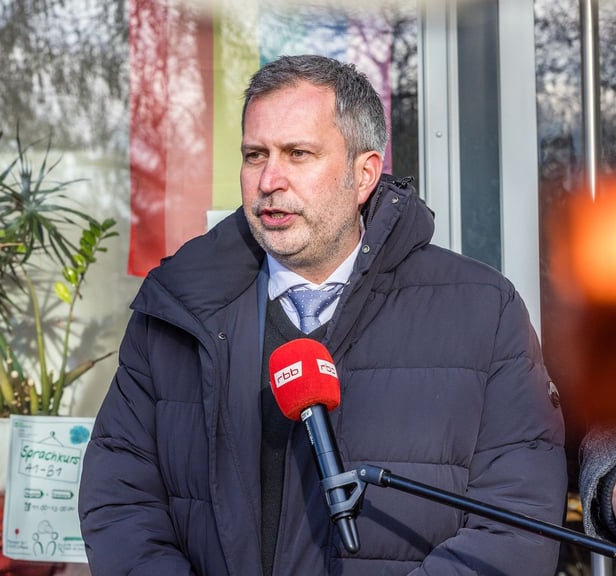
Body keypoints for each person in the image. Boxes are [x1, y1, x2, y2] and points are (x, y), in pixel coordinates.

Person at [78, 54, 567, 574]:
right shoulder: (174, 308)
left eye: (298, 153)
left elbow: (516, 524)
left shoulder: (483, 312)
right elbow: (120, 502)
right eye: (254, 155)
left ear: (364, 175)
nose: (269, 180)